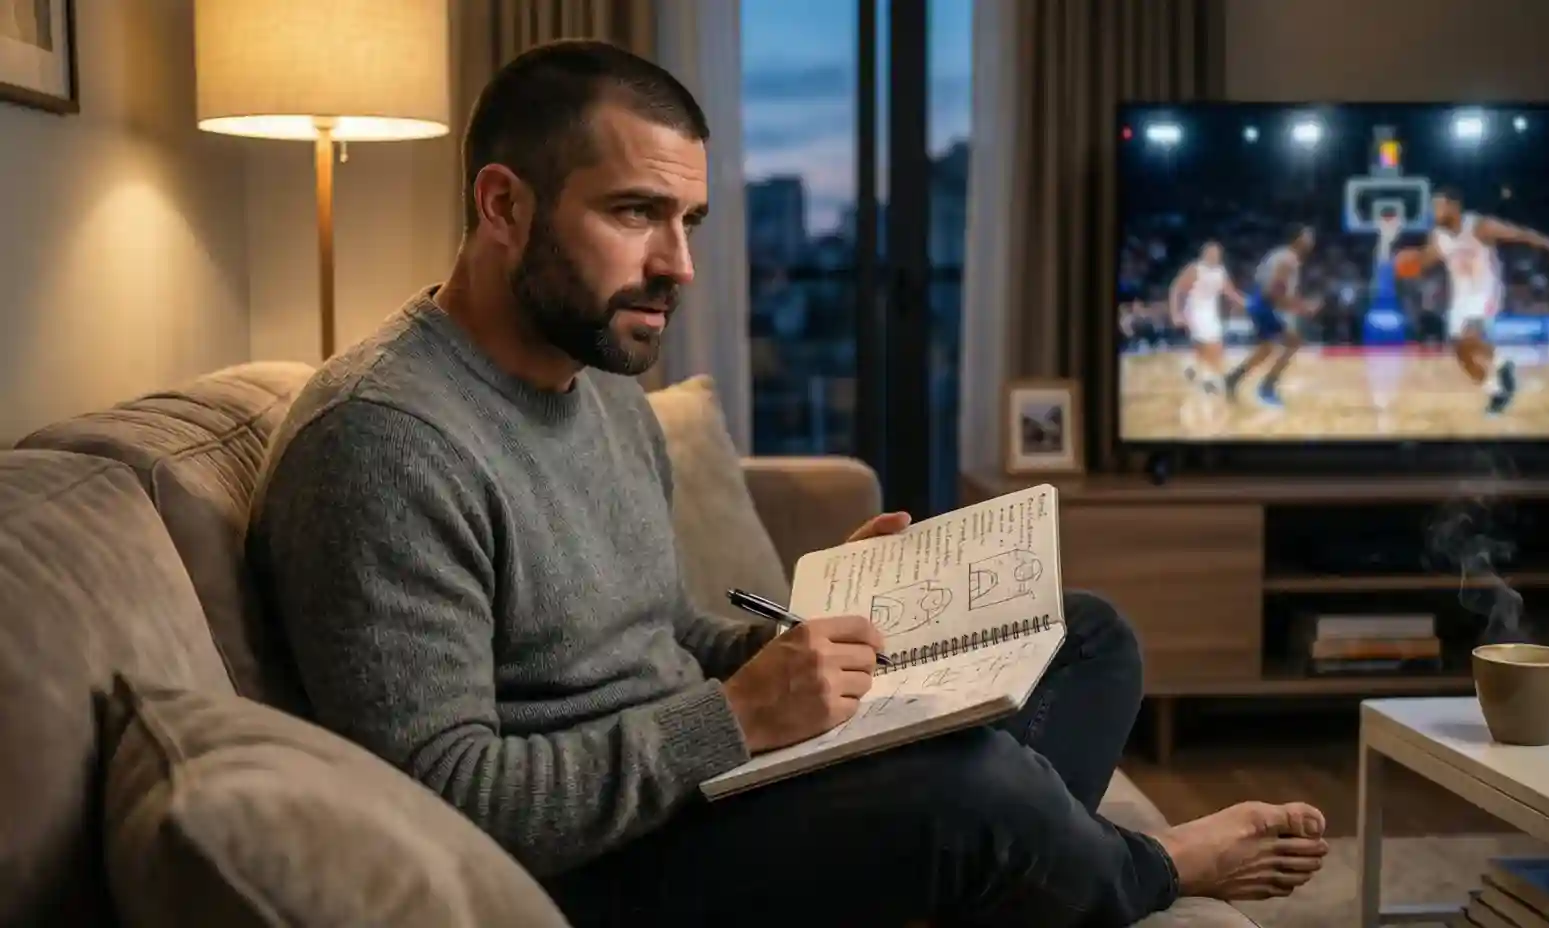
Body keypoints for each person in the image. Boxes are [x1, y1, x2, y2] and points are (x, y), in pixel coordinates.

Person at [246, 39, 1330, 927]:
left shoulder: (599, 381)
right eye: (635, 214)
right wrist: (734, 719)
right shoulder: (384, 441)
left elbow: (655, 633)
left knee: (1085, 633)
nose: (678, 263)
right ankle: (1143, 870)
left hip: (701, 785)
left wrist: (808, 634)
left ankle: (1008, 875)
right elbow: (446, 800)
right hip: (598, 872)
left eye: (690, 222)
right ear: (502, 205)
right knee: (972, 788)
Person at [1397, 187, 1549, 415]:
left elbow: (1521, 234)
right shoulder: (1437, 236)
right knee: (1461, 352)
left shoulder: (1479, 226)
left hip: (1487, 291)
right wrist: (1408, 264)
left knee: (1469, 337)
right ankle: (1495, 391)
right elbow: (1424, 261)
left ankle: (1504, 362)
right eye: (1433, 206)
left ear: (1454, 207)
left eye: (1439, 205)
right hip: (1461, 298)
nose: (1434, 211)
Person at [1223, 226, 1318, 408]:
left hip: (1261, 303)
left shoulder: (1284, 255)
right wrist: (1302, 307)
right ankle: (1266, 389)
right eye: (1308, 237)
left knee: (1266, 349)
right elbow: (1273, 293)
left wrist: (1297, 305)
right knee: (1293, 342)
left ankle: (1232, 379)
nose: (1311, 242)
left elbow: (1275, 291)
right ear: (1296, 239)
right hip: (1264, 305)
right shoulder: (1288, 260)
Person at [1169, 241, 1246, 394]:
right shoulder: (1195, 268)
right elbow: (1176, 288)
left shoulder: (1220, 271)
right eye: (1211, 252)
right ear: (1204, 254)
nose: (1214, 256)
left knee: (1208, 346)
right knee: (1212, 345)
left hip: (1211, 312)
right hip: (1194, 310)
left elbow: (1230, 292)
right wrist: (1175, 313)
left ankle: (1191, 367)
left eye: (1217, 253)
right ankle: (1208, 380)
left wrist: (1246, 303)